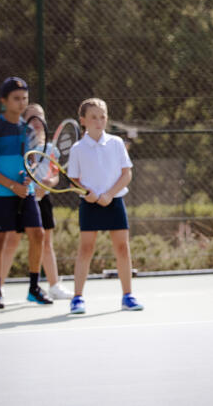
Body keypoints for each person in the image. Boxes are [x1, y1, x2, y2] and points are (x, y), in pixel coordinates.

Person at [0, 77, 53, 309]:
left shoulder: (26, 129)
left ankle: (33, 288)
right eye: (16, 99)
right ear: (4, 101)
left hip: (25, 193)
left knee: (38, 234)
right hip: (2, 193)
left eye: (25, 99)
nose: (21, 103)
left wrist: (28, 177)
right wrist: (12, 185)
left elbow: (28, 160)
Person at [66, 98, 142, 314]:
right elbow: (73, 180)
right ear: (83, 121)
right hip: (89, 205)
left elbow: (126, 173)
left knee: (122, 248)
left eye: (103, 117)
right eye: (93, 117)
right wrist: (86, 194)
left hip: (114, 202)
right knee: (86, 249)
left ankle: (128, 296)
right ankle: (77, 298)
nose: (99, 121)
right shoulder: (78, 148)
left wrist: (109, 194)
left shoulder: (116, 143)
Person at [0, 103, 74, 300]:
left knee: (46, 243)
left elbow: (55, 176)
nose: (37, 122)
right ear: (25, 122)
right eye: (32, 118)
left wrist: (48, 182)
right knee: (11, 242)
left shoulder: (51, 149)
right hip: (22, 199)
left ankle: (54, 286)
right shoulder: (20, 144)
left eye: (40, 117)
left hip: (43, 200)